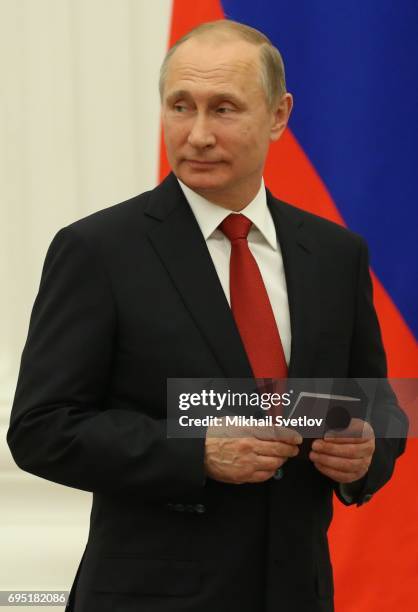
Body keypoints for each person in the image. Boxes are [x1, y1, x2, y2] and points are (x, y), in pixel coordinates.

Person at [7, 19, 407, 612]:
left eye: (223, 109)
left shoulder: (335, 253)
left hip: (298, 590)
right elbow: (41, 430)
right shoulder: (98, 251)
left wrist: (366, 454)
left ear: (278, 115)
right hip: (151, 597)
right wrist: (196, 453)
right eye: (179, 106)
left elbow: (375, 405)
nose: (196, 135)